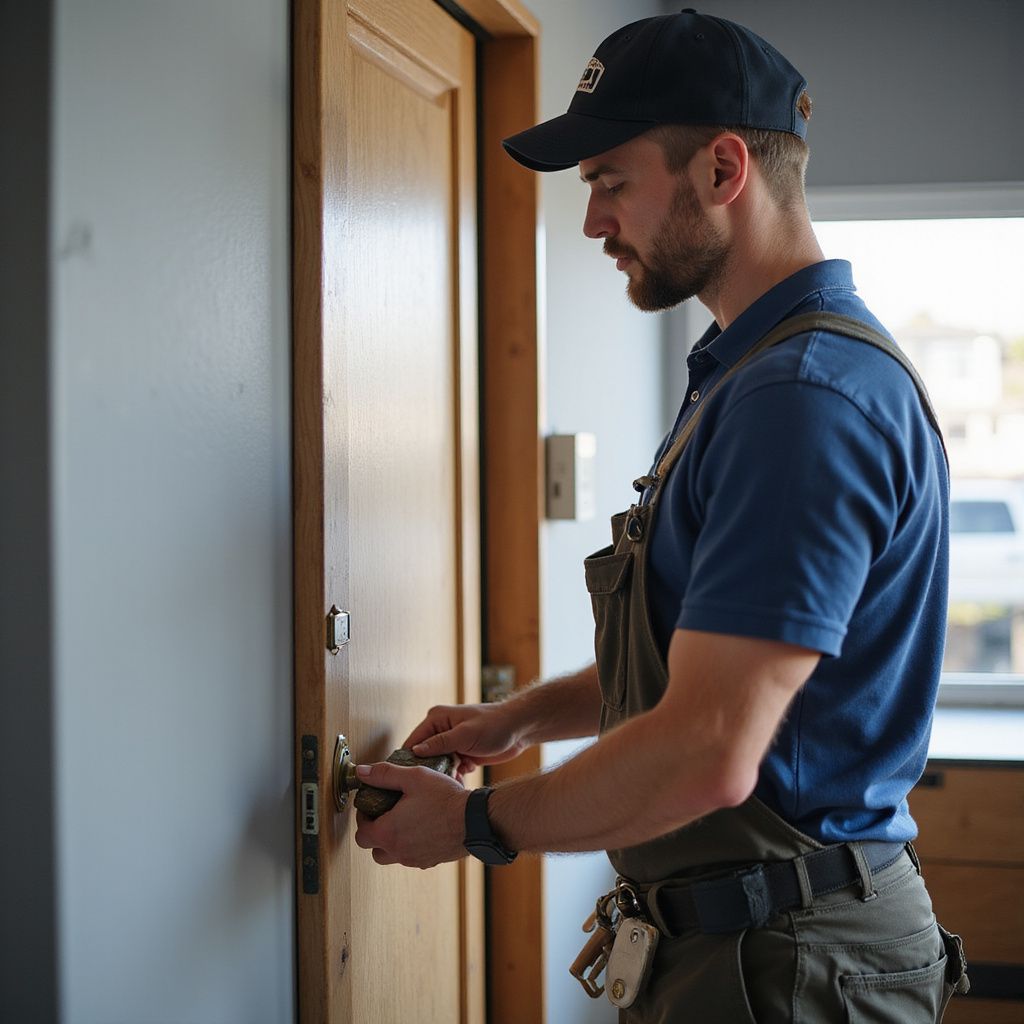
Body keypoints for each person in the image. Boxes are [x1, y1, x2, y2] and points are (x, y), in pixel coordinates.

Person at [353, 9, 968, 1021]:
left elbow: (710, 741)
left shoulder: (800, 399)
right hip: (752, 946)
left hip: (791, 967)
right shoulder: (753, 378)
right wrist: (523, 717)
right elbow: (704, 660)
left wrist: (476, 826)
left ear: (722, 171)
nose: (592, 221)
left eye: (608, 182)